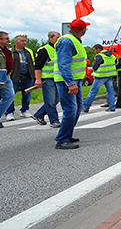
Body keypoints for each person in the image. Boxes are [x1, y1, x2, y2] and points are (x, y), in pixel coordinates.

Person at [53, 19, 89, 149]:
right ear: (83, 30)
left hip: (74, 81)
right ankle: (62, 140)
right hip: (67, 82)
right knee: (70, 110)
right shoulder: (67, 41)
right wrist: (70, 83)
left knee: (77, 108)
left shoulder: (73, 40)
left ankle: (66, 134)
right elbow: (63, 65)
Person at [32, 31, 61, 127]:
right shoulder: (44, 50)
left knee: (56, 99)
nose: (59, 39)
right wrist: (38, 79)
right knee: (50, 101)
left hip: (57, 78)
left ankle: (39, 114)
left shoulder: (58, 48)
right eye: (57, 37)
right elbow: (38, 66)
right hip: (47, 78)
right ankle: (54, 121)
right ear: (50, 38)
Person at [7, 35, 36, 118]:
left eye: (25, 41)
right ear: (16, 42)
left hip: (27, 75)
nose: (24, 42)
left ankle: (25, 110)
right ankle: (10, 112)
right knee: (11, 94)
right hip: (15, 76)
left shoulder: (29, 51)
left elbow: (34, 62)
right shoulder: (10, 51)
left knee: (27, 93)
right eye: (22, 41)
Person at [82, 44, 116, 112]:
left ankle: (86, 106)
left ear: (98, 49)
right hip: (109, 75)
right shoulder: (111, 56)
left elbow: (94, 66)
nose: (95, 51)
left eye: (95, 50)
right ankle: (112, 106)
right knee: (110, 91)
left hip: (100, 76)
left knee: (93, 92)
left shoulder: (100, 56)